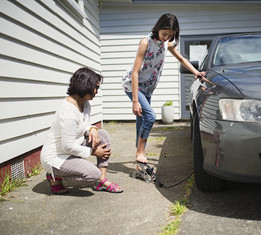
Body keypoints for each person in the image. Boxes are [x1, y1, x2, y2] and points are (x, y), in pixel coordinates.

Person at [122, 13, 205, 177]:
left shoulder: (167, 44)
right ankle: (140, 153)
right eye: (164, 34)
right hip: (134, 86)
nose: (166, 37)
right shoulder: (145, 42)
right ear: (158, 28)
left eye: (170, 35)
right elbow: (135, 72)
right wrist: (134, 101)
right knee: (150, 117)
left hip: (147, 89)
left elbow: (181, 59)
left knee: (141, 122)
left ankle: (139, 165)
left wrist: (196, 72)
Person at [40, 67, 123, 194]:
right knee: (92, 174)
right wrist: (93, 152)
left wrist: (93, 128)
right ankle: (55, 176)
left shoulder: (84, 103)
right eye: (95, 87)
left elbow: (82, 126)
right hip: (56, 157)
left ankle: (101, 180)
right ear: (85, 86)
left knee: (102, 134)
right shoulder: (68, 112)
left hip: (72, 147)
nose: (96, 91)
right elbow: (67, 146)